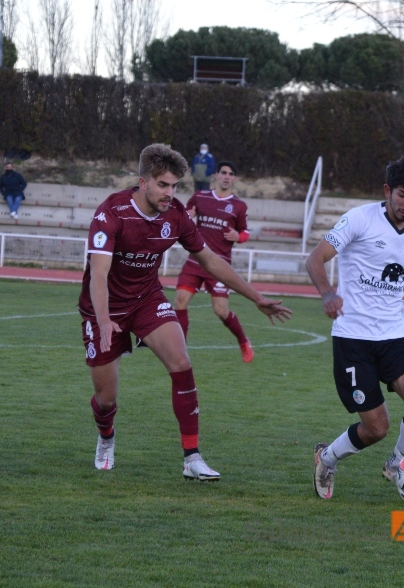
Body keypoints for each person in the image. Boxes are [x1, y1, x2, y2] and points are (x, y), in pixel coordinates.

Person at [79, 143, 291, 480]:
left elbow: (209, 260)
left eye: (175, 186)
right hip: (103, 309)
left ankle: (192, 458)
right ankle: (106, 438)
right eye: (162, 185)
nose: (169, 193)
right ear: (142, 181)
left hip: (147, 299)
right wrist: (104, 321)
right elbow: (99, 273)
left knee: (182, 363)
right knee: (106, 399)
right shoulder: (111, 213)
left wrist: (255, 297)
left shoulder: (174, 213)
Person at [305, 155, 404, 501]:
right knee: (376, 428)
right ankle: (326, 458)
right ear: (387, 190)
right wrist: (328, 293)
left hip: (395, 336)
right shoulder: (359, 219)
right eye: (402, 194)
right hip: (353, 339)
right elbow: (315, 258)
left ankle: (398, 462)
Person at [173, 161, 254, 362]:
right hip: (196, 260)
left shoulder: (239, 206)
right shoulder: (200, 197)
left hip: (219, 266)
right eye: (224, 172)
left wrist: (239, 237)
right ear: (216, 175)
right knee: (180, 301)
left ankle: (244, 341)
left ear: (234, 179)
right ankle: (180, 350)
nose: (227, 176)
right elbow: (183, 215)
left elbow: (246, 232)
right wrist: (187, 216)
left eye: (231, 174)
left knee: (220, 310)